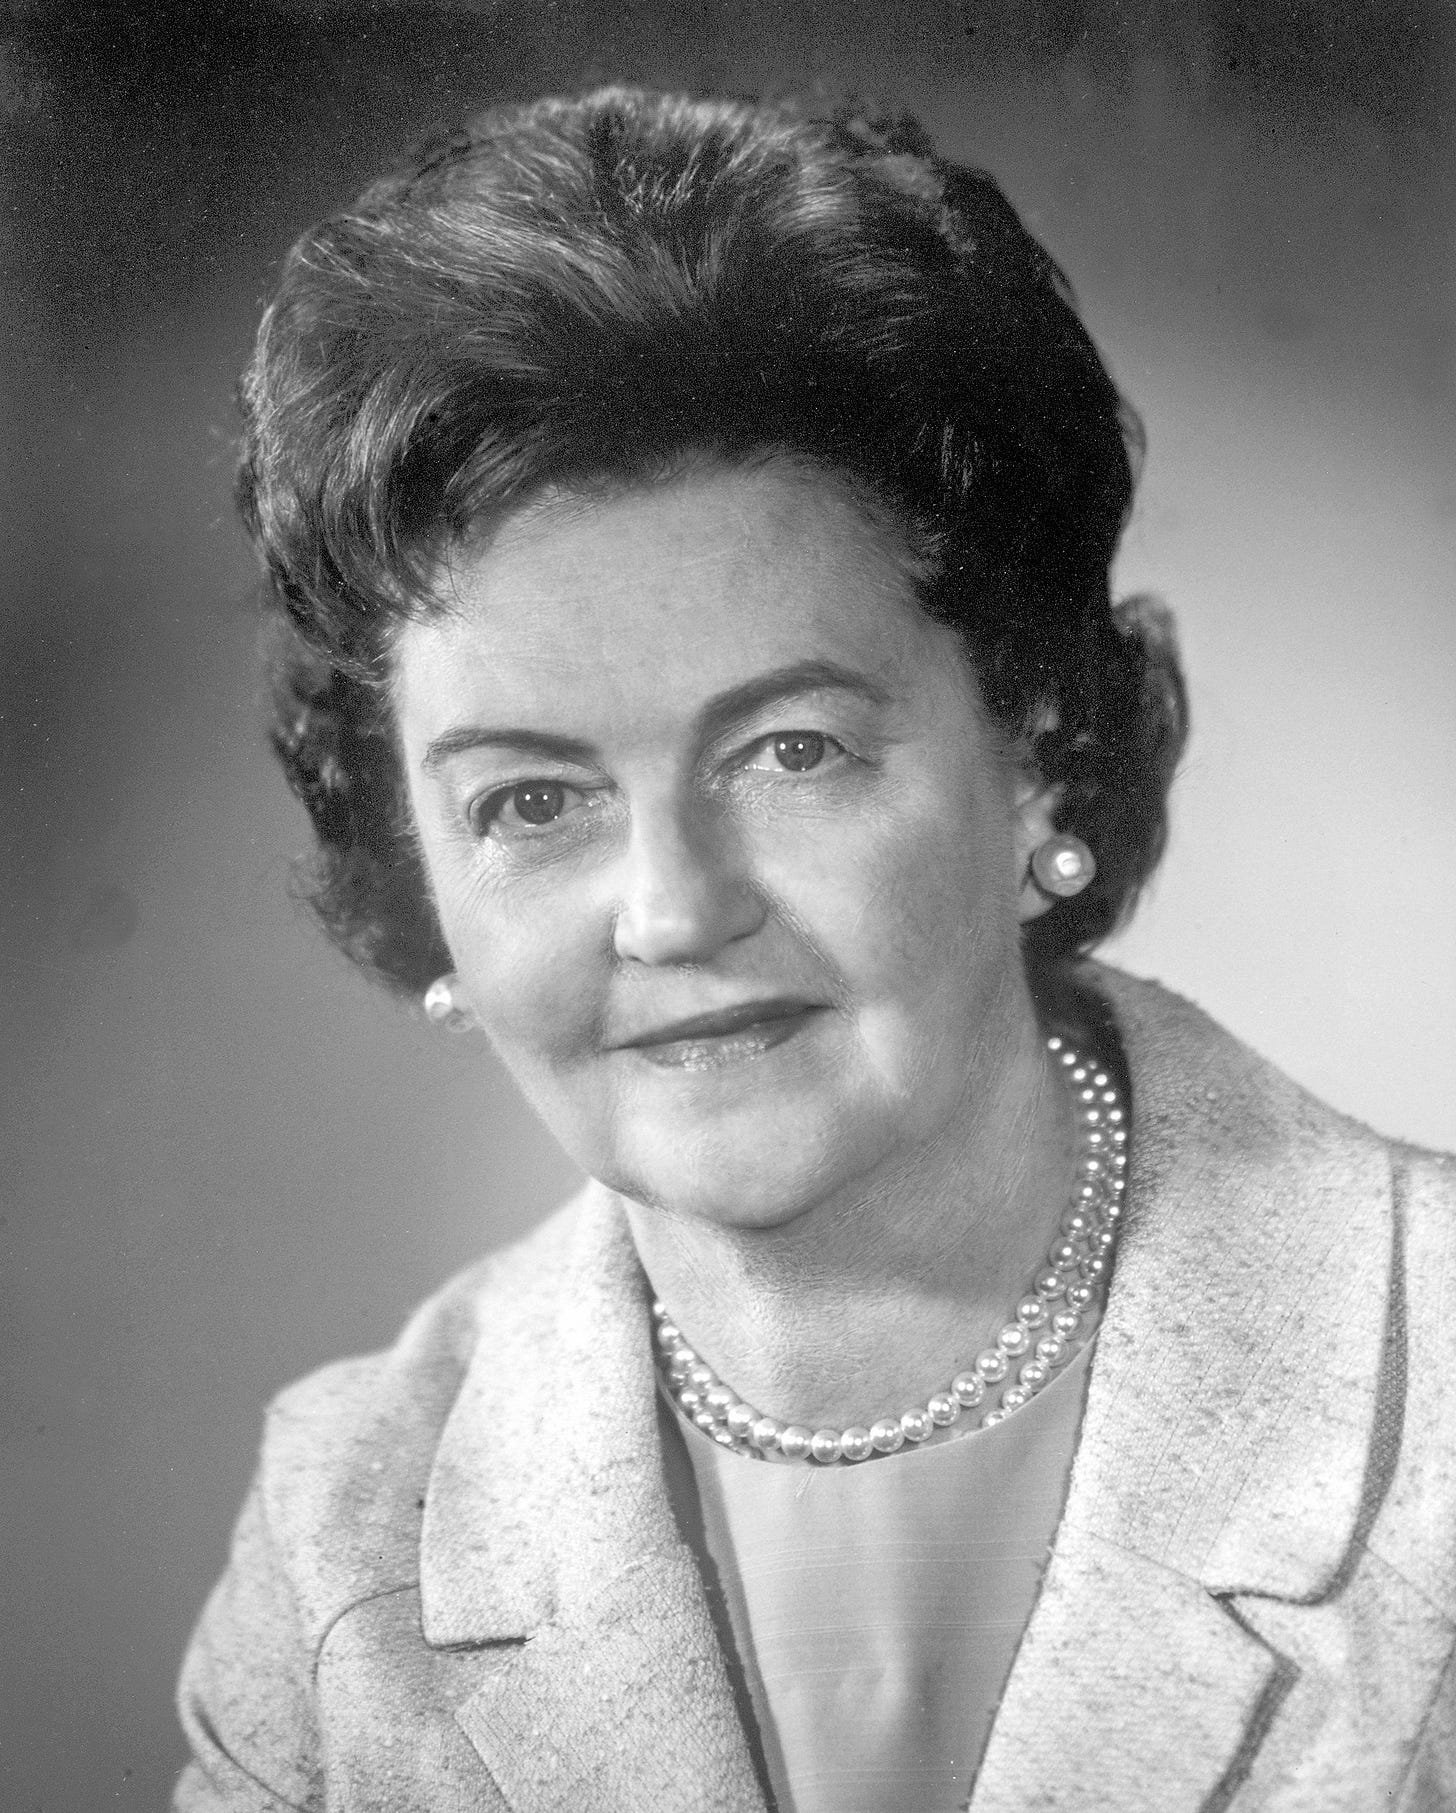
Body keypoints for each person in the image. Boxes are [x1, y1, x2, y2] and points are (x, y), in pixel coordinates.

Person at [173, 87, 1456, 1813]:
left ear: (1045, 748)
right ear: (418, 888)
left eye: (794, 751)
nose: (677, 909)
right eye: (533, 801)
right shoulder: (347, 1522)